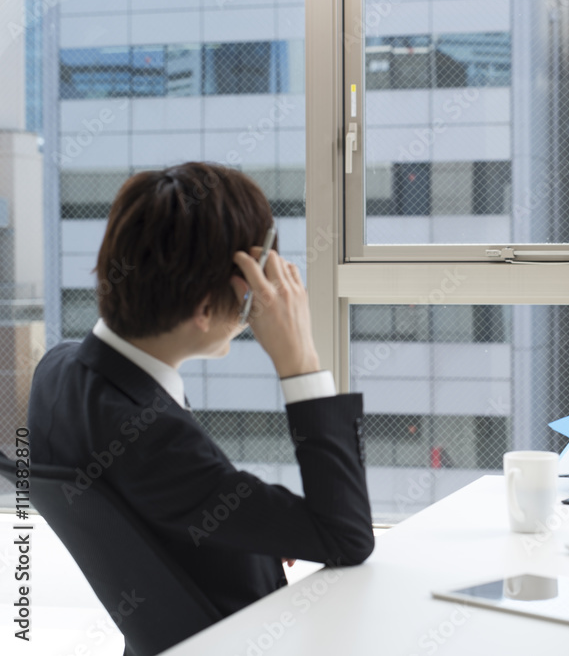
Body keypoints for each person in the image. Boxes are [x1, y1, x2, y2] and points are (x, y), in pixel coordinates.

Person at [27, 162, 374, 623]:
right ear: (206, 309)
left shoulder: (59, 369)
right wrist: (301, 361)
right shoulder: (154, 441)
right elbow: (347, 538)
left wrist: (254, 530)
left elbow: (167, 506)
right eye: (253, 289)